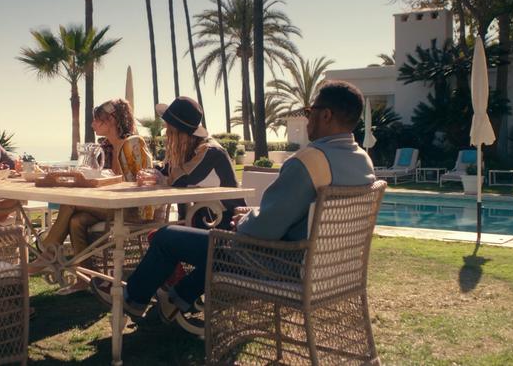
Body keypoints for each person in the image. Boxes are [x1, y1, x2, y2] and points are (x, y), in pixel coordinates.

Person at [92, 81, 376, 321]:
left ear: (326, 115)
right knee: (214, 243)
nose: (307, 118)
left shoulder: (310, 162)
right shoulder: (363, 163)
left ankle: (132, 299)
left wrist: (245, 220)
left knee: (168, 237)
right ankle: (177, 298)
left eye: (309, 112)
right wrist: (253, 214)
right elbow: (298, 215)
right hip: (323, 267)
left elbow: (263, 230)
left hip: (277, 263)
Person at [31, 99, 152, 294]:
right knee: (77, 221)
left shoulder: (133, 144)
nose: (92, 124)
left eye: (97, 120)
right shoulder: (106, 147)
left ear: (112, 119)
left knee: (70, 204)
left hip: (133, 208)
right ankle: (86, 279)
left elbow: (144, 180)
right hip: (110, 205)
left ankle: (49, 252)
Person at [151, 96, 244, 229]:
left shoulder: (211, 152)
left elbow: (181, 179)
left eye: (170, 130)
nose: (166, 134)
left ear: (181, 134)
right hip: (205, 222)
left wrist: (158, 175)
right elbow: (167, 170)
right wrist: (153, 171)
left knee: (160, 235)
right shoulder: (193, 149)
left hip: (224, 229)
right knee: (160, 234)